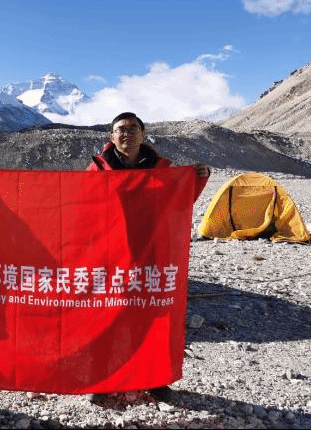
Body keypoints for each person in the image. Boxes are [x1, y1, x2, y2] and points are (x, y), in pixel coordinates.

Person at [86, 111, 210, 404]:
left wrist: (198, 180)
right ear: (111, 136)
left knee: (152, 317)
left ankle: (155, 379)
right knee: (108, 318)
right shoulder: (97, 169)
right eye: (121, 129)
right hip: (111, 254)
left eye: (133, 128)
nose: (127, 133)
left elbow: (178, 202)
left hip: (151, 253)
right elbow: (83, 205)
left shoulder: (162, 169)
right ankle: (103, 379)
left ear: (143, 134)